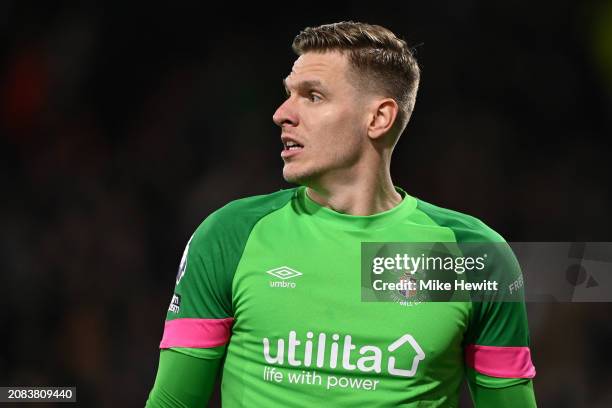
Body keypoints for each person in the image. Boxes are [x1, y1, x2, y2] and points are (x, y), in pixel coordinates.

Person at [146, 21, 536, 407]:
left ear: (378, 118)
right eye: (289, 94)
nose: (282, 113)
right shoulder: (231, 235)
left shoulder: (472, 257)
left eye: (312, 96)